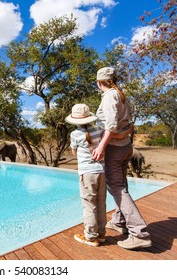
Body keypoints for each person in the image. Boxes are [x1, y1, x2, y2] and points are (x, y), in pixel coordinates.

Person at [91, 66, 152, 250]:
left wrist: (101, 146)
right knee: (121, 184)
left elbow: (110, 125)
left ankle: (139, 233)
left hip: (115, 149)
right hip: (125, 146)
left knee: (117, 188)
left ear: (98, 82)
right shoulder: (121, 95)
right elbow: (128, 125)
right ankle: (119, 221)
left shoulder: (110, 96)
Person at [65, 104, 106, 247]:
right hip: (101, 172)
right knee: (101, 203)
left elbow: (75, 153)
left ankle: (90, 237)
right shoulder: (99, 130)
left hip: (87, 173)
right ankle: (101, 234)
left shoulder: (75, 134)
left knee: (89, 206)